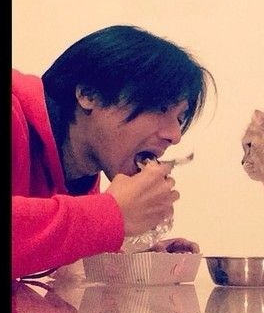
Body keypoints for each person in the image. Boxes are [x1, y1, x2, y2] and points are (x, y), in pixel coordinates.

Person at [12, 25, 214, 279]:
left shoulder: (82, 177)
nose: (175, 135)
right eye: (159, 107)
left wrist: (132, 252)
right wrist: (109, 215)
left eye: (180, 118)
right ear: (89, 94)